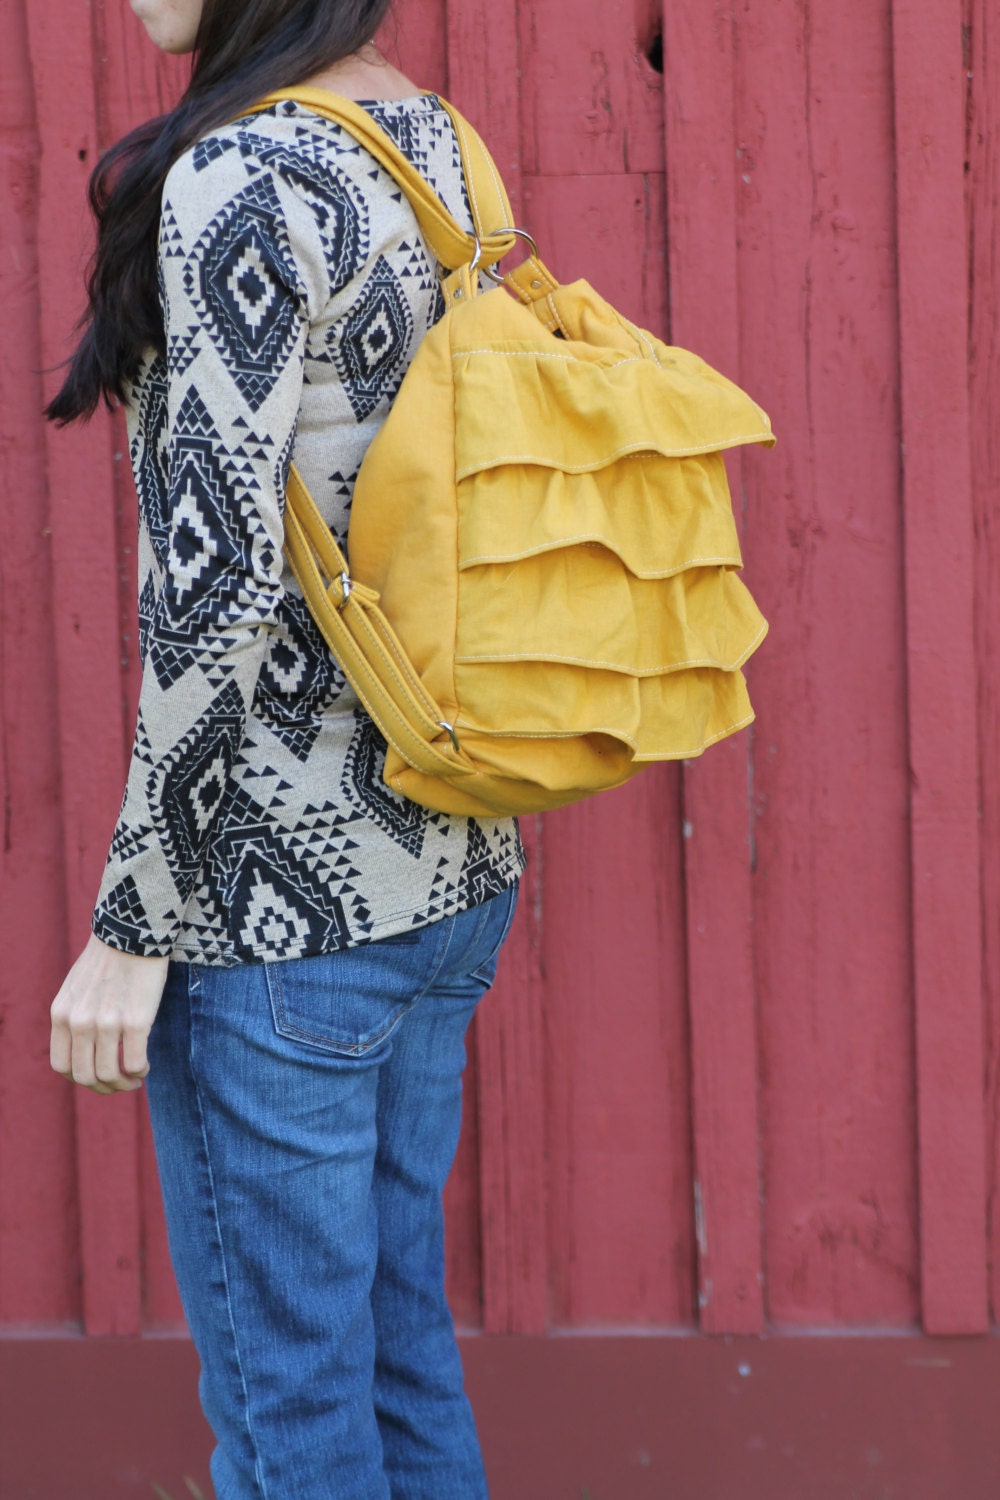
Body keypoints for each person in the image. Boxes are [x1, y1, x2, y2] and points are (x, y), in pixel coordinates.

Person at [46, 2, 524, 1495]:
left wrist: (137, 920)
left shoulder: (238, 176)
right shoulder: (428, 139)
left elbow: (216, 581)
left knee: (289, 1422)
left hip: (277, 913)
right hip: (448, 862)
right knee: (394, 1356)